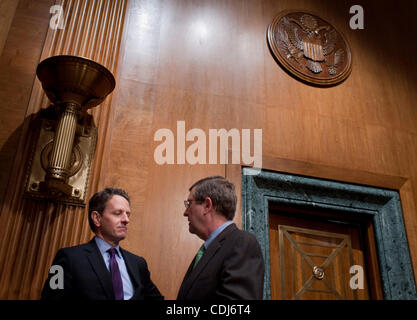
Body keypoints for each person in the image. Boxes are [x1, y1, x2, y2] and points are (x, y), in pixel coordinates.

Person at [41, 188, 163, 300]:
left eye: (128, 214)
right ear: (97, 218)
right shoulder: (68, 258)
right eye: (118, 213)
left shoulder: (138, 264)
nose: (126, 220)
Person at [177, 176, 265, 300]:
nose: (185, 213)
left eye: (189, 204)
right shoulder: (206, 250)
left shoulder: (241, 243)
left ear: (207, 205)